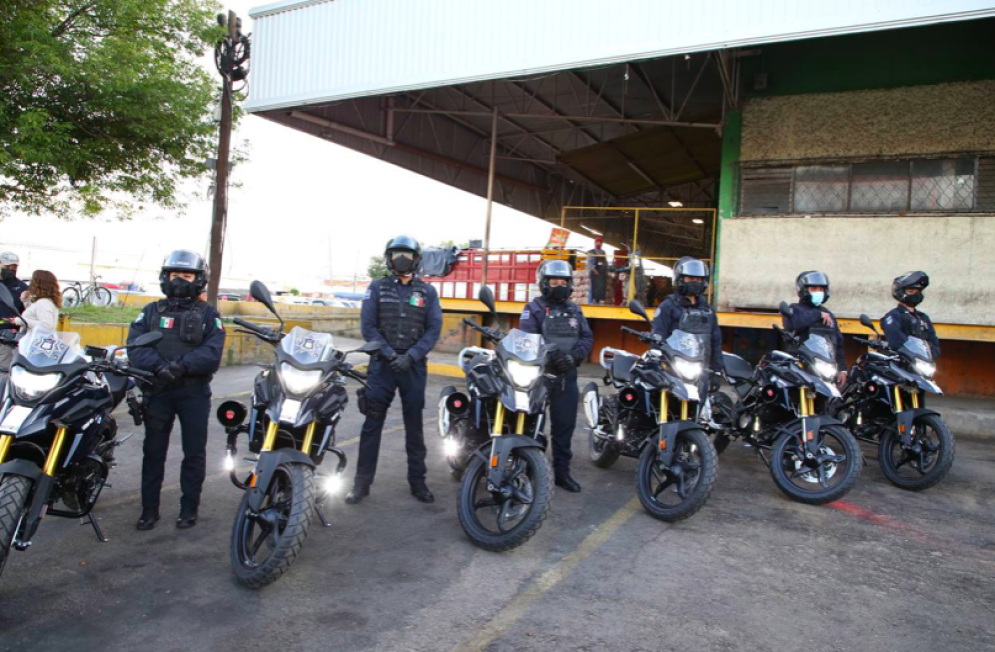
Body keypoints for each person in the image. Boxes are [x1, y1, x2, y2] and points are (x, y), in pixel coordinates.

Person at [127, 251, 225, 531]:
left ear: (199, 279)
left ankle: (189, 509)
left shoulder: (209, 314)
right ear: (165, 277)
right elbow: (135, 346)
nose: (180, 280)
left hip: (193, 393)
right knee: (153, 452)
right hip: (158, 392)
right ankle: (149, 510)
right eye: (174, 274)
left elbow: (212, 352)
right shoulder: (150, 311)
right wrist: (159, 368)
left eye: (187, 275)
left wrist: (181, 367)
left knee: (194, 452)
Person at [347, 236, 442, 505]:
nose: (403, 258)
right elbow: (368, 327)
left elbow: (433, 329)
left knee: (415, 428)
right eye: (398, 253)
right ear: (389, 258)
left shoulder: (427, 292)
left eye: (408, 254)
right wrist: (389, 354)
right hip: (381, 368)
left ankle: (418, 483)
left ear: (417, 259)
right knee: (371, 425)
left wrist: (411, 356)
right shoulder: (376, 288)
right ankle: (361, 486)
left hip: (413, 369)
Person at [519, 260, 593, 493]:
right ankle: (529, 469)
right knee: (531, 426)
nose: (560, 285)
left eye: (564, 282)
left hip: (566, 377)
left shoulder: (575, 310)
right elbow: (527, 338)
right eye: (555, 281)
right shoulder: (533, 309)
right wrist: (549, 354)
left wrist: (573, 357)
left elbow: (586, 338)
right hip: (538, 378)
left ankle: (562, 473)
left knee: (564, 429)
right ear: (544, 282)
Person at [651, 257, 724, 389]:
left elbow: (716, 342)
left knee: (704, 408)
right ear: (680, 279)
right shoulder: (667, 307)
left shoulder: (708, 311)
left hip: (701, 372)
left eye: (698, 279)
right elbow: (657, 337)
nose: (695, 282)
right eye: (690, 278)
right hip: (674, 371)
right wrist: (656, 363)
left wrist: (717, 371)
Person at [783, 270, 847, 385]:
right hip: (800, 367)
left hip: (823, 367)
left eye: (821, 289)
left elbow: (838, 342)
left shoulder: (828, 314)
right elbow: (794, 324)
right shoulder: (794, 309)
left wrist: (842, 369)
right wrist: (818, 314)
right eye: (814, 289)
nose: (819, 292)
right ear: (803, 290)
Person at [882, 271, 940, 358]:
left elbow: (934, 344)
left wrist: (927, 356)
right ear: (901, 292)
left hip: (921, 364)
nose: (916, 294)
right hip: (901, 362)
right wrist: (911, 355)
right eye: (911, 291)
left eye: (918, 291)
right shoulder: (894, 316)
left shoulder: (923, 318)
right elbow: (897, 341)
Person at [0, 252, 29, 385]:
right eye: (7, 267)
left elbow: (27, 316)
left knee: (3, 373)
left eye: (14, 268)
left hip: (7, 339)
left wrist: (18, 328)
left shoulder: (22, 288)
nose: (11, 270)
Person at [586, 238, 608, 304]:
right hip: (594, 273)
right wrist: (594, 269)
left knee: (600, 288)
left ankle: (597, 302)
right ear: (595, 243)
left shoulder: (603, 252)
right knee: (592, 288)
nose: (599, 244)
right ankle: (590, 303)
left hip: (601, 273)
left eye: (600, 242)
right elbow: (589, 263)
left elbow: (605, 262)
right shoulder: (591, 252)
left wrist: (606, 269)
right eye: (597, 242)